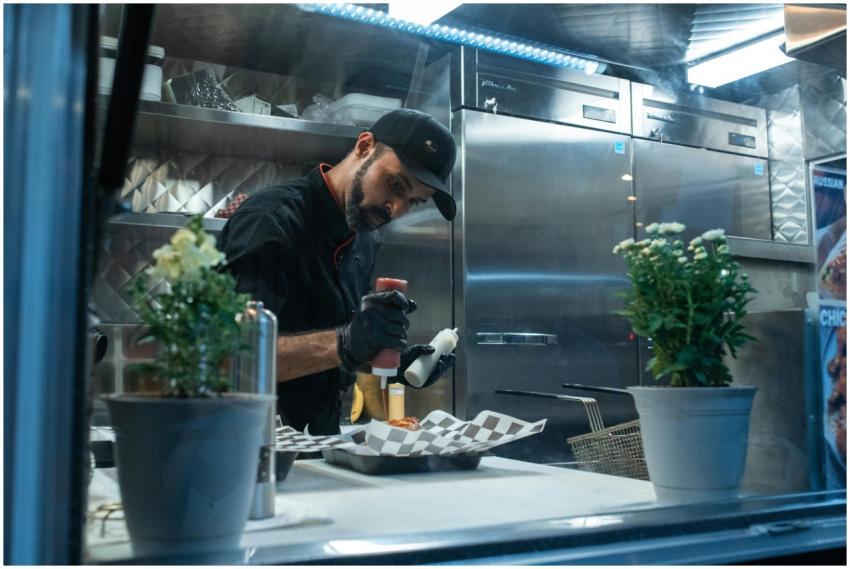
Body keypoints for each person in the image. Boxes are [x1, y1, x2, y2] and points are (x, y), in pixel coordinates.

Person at [217, 109, 458, 435]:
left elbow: (332, 349)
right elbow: (231, 358)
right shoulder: (269, 221)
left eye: (413, 202)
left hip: (320, 440)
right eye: (396, 184)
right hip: (253, 442)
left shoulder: (365, 239)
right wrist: (345, 343)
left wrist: (386, 361)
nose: (395, 209)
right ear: (364, 147)